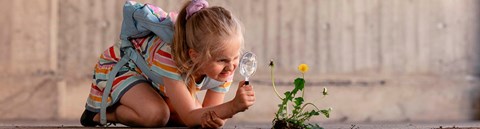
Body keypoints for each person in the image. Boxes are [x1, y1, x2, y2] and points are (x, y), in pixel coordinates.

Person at [80, 0, 255, 128]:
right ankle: (99, 114)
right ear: (194, 56)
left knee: (190, 117)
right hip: (126, 66)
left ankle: (147, 102)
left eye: (235, 57)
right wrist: (233, 107)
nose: (232, 66)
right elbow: (190, 116)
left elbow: (209, 113)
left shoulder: (226, 66)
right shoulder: (170, 56)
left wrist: (214, 119)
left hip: (155, 76)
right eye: (222, 60)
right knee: (156, 116)